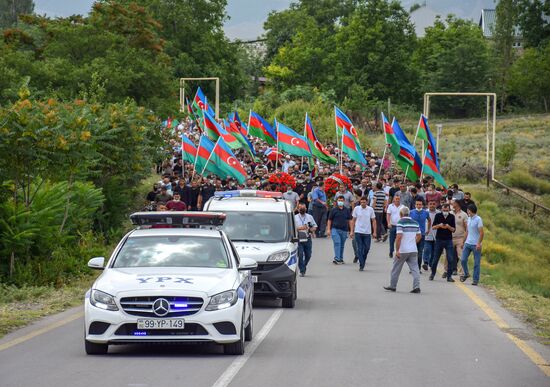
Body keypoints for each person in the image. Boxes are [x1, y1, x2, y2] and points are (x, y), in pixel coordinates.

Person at [383, 207, 422, 293]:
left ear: (401, 214)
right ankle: (417, 287)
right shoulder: (415, 223)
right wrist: (413, 242)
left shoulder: (400, 222)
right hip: (413, 250)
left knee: (396, 268)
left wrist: (397, 250)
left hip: (403, 250)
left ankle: (393, 286)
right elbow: (419, 236)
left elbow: (399, 237)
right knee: (415, 269)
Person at [429, 203, 456, 282]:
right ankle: (432, 274)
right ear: (441, 209)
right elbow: (433, 227)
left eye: (447, 210)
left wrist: (448, 227)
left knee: (450, 259)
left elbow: (454, 230)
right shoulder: (438, 216)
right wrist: (439, 225)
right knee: (435, 258)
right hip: (439, 240)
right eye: (444, 210)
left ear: (449, 210)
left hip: (448, 240)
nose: (445, 211)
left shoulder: (452, 217)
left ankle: (449, 276)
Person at [350, 197, 377, 271]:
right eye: (361, 202)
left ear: (367, 202)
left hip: (367, 232)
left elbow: (374, 221)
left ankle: (363, 260)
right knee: (360, 248)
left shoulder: (370, 209)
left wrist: (374, 232)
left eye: (364, 202)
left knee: (367, 248)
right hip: (358, 231)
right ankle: (361, 264)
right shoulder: (356, 209)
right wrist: (352, 231)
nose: (362, 204)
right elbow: (353, 220)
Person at [460, 204, 484, 285]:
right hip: (468, 243)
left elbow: (481, 233)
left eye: (468, 210)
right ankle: (466, 273)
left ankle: (475, 280)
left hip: (476, 244)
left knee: (476, 263)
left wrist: (478, 243)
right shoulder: (469, 219)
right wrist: (463, 242)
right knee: (463, 260)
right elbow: (467, 231)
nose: (467, 211)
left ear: (471, 210)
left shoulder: (478, 219)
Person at [326, 198, 353, 264]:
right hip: (335, 229)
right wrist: (328, 229)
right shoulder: (333, 210)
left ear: (344, 201)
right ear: (337, 201)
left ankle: (340, 258)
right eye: (339, 200)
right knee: (337, 243)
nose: (340, 202)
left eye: (341, 200)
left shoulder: (347, 210)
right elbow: (329, 220)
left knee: (342, 244)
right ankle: (337, 258)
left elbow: (350, 220)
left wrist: (351, 231)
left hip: (344, 230)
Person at [294, 203, 317, 277]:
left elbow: (315, 226)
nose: (302, 209)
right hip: (299, 238)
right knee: (300, 255)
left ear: (306, 209)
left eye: (303, 208)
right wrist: (300, 228)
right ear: (298, 209)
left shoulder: (310, 217)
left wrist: (311, 229)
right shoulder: (295, 217)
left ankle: (303, 265)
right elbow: (292, 228)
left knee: (308, 255)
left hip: (308, 238)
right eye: (301, 208)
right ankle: (302, 270)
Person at [410, 198, 431, 271]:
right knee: (413, 252)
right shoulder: (411, 212)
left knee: (420, 252)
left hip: (422, 234)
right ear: (415, 205)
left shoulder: (425, 212)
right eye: (417, 204)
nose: (419, 206)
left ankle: (418, 268)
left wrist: (428, 229)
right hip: (413, 235)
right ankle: (412, 268)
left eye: (420, 204)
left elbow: (429, 220)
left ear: (422, 205)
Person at [451, 199, 468, 276]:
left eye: (454, 203)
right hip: (450, 237)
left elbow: (466, 228)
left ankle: (462, 271)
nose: (452, 204)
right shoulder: (450, 213)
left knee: (461, 255)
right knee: (449, 255)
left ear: (457, 204)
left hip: (460, 237)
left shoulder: (464, 214)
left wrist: (465, 238)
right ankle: (449, 270)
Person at [422, 200, 439, 271]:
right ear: (428, 205)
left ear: (436, 205)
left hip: (436, 235)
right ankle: (425, 262)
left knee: (434, 251)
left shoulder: (439, 213)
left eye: (433, 204)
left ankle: (431, 263)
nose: (432, 205)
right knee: (426, 249)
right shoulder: (425, 212)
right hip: (427, 234)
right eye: (430, 204)